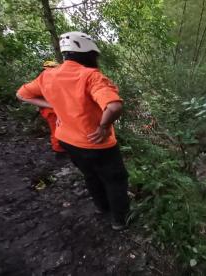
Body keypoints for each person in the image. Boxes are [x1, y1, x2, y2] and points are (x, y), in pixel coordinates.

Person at [16, 32, 130, 230]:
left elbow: (22, 94)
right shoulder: (90, 76)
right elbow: (113, 106)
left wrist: (51, 104)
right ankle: (120, 220)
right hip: (97, 142)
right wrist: (103, 127)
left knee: (90, 175)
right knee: (115, 179)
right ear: (89, 53)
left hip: (67, 140)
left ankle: (102, 208)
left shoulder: (48, 75)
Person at [39, 60, 65, 154]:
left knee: (60, 129)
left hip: (53, 110)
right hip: (51, 111)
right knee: (56, 130)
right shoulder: (45, 80)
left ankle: (61, 146)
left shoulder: (45, 79)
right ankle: (58, 149)